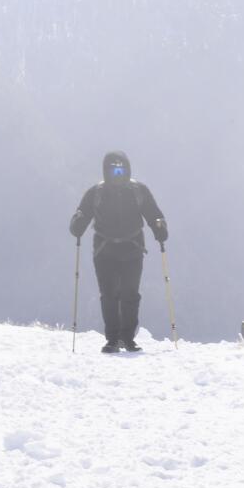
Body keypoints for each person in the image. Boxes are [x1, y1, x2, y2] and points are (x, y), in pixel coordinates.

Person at [69, 151, 168, 353]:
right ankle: (114, 339)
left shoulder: (137, 191)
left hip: (129, 248)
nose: (117, 173)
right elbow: (80, 218)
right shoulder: (97, 193)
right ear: (106, 171)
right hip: (108, 250)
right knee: (109, 294)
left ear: (127, 169)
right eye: (113, 169)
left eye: (120, 169)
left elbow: (154, 214)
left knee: (129, 294)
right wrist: (77, 225)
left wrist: (160, 228)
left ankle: (126, 338)